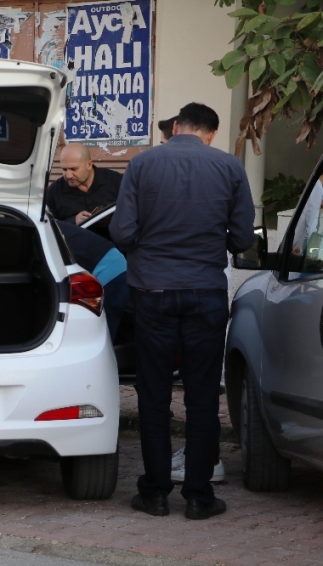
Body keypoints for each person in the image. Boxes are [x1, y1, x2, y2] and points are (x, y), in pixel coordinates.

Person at [109, 103, 254, 520]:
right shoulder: (229, 167)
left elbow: (121, 230)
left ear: (175, 127)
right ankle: (198, 495)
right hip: (205, 292)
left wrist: (147, 252)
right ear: (210, 133)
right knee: (204, 394)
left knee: (153, 392)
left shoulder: (143, 164)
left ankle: (154, 492)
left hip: (152, 291)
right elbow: (242, 237)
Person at [55, 220, 128, 339]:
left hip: (112, 277)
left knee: (101, 335)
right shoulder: (53, 227)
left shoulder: (49, 234)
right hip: (117, 268)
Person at [46, 143, 123, 225]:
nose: (68, 175)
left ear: (89, 165)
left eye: (73, 169)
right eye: (64, 169)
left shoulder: (115, 181)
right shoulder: (55, 191)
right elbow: (49, 227)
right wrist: (74, 221)